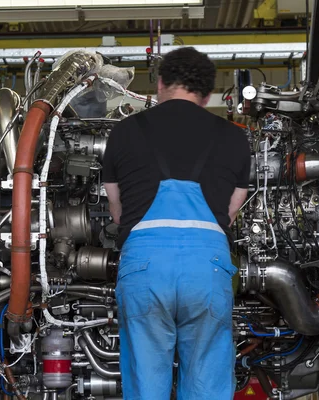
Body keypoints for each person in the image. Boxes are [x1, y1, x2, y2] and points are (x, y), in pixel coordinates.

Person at [102, 47, 251, 400]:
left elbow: (117, 209)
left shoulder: (124, 132)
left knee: (146, 380)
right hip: (207, 267)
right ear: (208, 93)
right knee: (206, 382)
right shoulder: (234, 137)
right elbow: (231, 211)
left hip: (144, 265)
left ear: (160, 83)